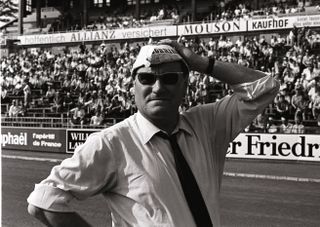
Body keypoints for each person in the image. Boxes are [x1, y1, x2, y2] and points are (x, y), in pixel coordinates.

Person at [27, 40, 279, 227]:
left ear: (185, 85)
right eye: (146, 78)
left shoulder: (207, 124)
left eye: (169, 78)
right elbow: (43, 200)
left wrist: (200, 62)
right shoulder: (112, 142)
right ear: (133, 86)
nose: (157, 87)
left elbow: (265, 87)